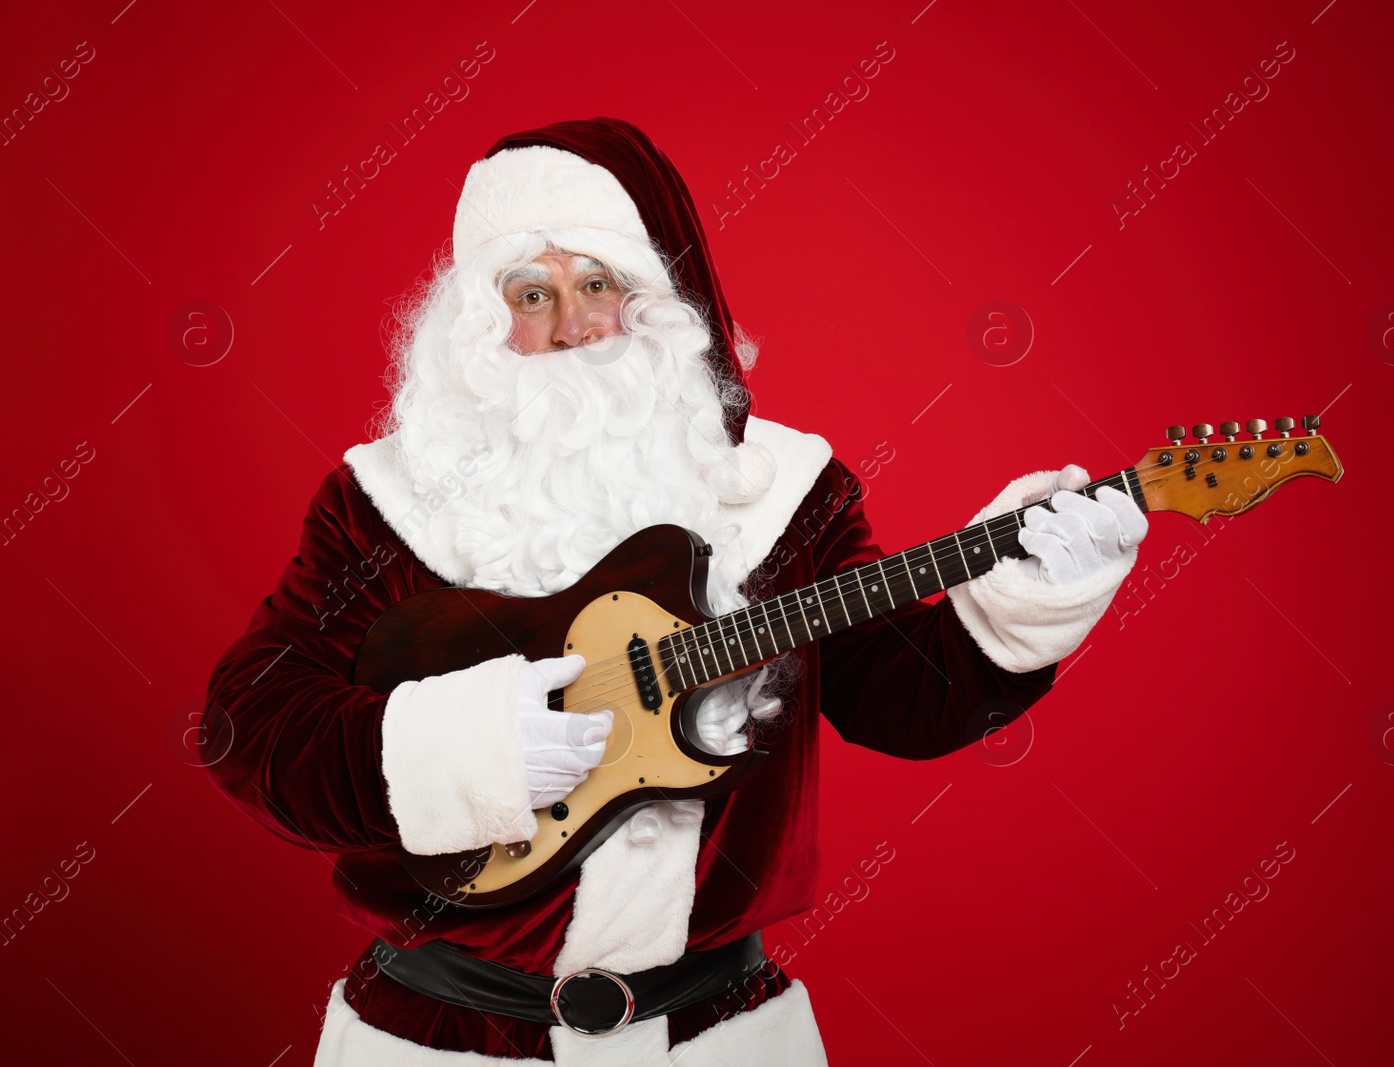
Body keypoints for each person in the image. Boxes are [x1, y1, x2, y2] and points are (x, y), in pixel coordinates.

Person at [203, 118, 1148, 1067]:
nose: (572, 326)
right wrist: (463, 751)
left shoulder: (786, 492)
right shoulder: (385, 502)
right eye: (532, 294)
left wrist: (1028, 598)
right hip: (434, 1039)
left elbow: (903, 695)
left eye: (598, 285)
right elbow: (252, 726)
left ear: (655, 298)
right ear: (486, 325)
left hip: (720, 1039)